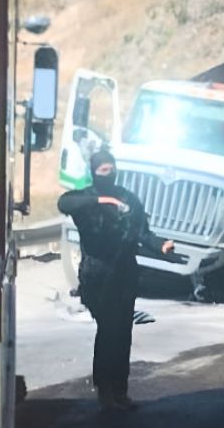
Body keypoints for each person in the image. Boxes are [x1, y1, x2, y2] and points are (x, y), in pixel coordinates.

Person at [58, 150, 175, 412]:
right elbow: (64, 203)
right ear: (94, 172)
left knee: (123, 332)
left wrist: (160, 245)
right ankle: (105, 390)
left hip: (125, 274)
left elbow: (142, 233)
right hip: (97, 275)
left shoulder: (129, 199)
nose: (108, 174)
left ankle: (120, 390)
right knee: (109, 330)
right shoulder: (86, 199)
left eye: (111, 170)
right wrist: (103, 200)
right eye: (103, 170)